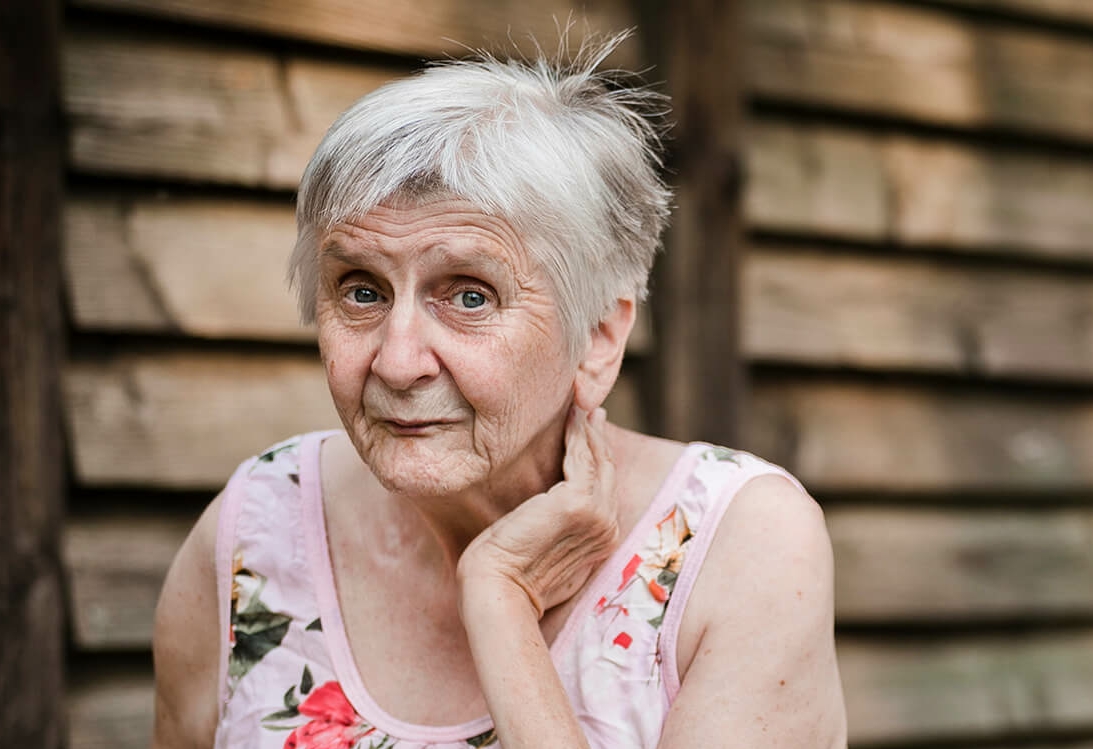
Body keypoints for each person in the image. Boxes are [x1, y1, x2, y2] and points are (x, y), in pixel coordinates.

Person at [150, 36, 847, 749]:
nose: (397, 363)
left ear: (599, 336)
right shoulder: (256, 531)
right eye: (361, 290)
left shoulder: (740, 544)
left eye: (470, 296)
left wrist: (499, 600)